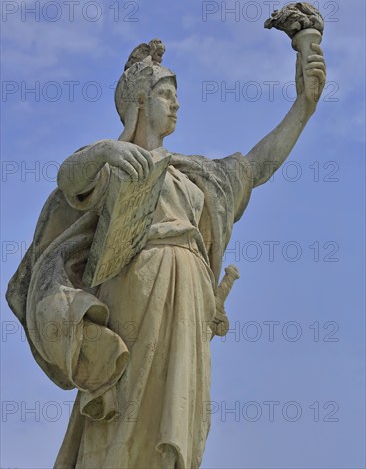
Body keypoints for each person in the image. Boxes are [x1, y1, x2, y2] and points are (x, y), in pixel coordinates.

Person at [7, 38, 326, 468]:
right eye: (166, 94)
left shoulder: (192, 175)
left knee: (179, 424)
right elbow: (68, 180)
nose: (176, 104)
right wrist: (107, 150)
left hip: (189, 309)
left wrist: (303, 107)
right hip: (135, 304)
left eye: (177, 96)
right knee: (127, 423)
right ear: (140, 101)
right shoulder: (115, 168)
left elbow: (255, 167)